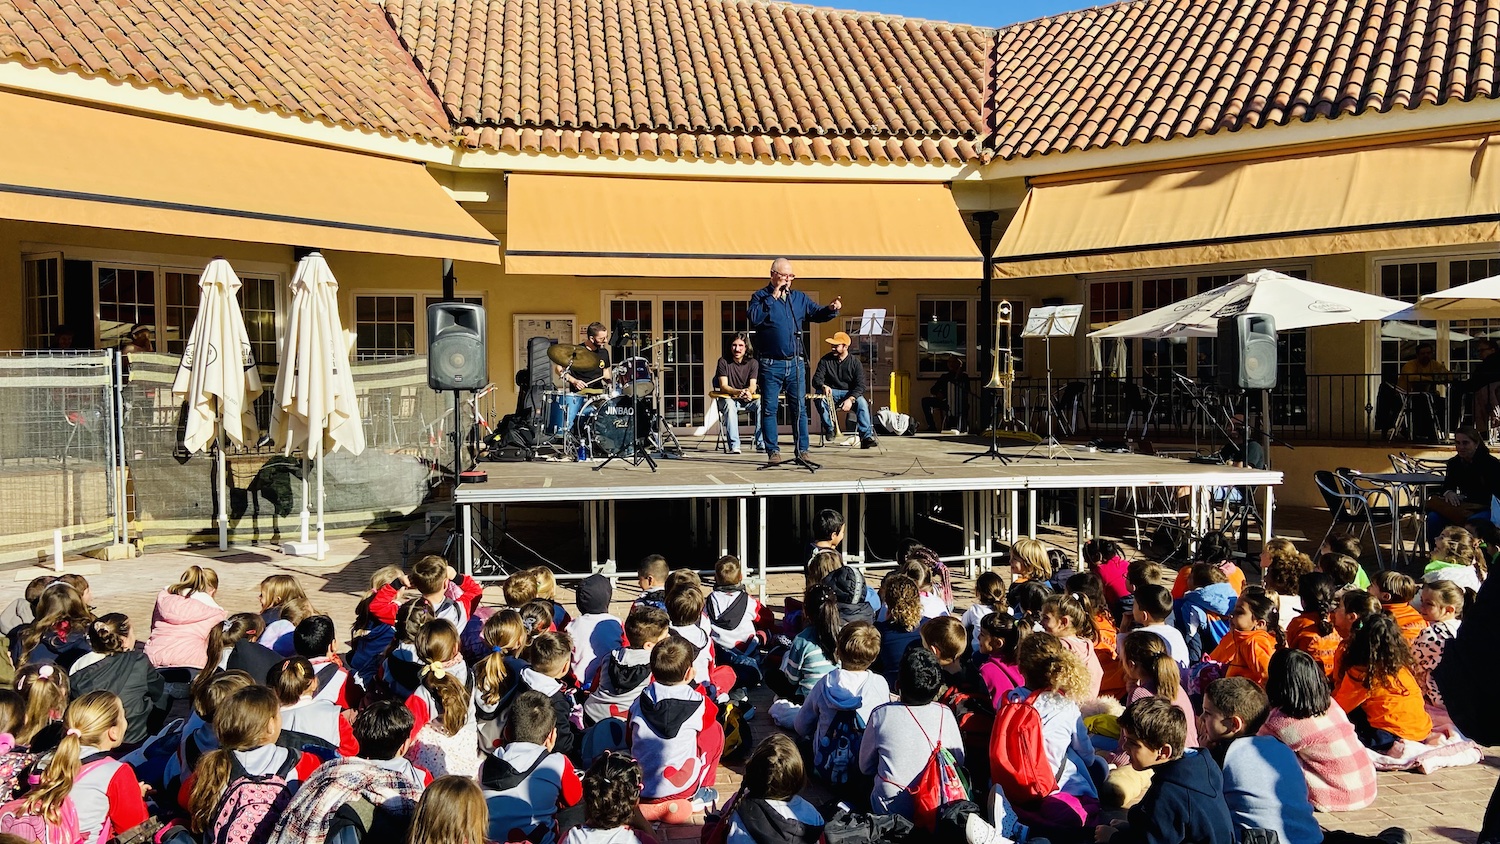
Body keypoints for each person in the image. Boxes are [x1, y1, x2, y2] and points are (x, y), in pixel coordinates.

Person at [1094, 697, 1234, 844]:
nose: (1124, 747)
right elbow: (1169, 827)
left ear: (1164, 752)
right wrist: (1135, 828)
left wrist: (1114, 838)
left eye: (1133, 743)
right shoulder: (1199, 766)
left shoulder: (1169, 793)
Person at [747, 258, 841, 468]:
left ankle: (803, 451)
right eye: (784, 275)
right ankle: (773, 452)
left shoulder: (798, 298)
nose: (788, 279)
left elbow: (816, 313)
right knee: (770, 409)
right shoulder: (760, 297)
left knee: (799, 408)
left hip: (795, 364)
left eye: (791, 276)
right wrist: (773, 296)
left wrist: (831, 309)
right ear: (773, 274)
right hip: (771, 364)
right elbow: (754, 318)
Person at [1259, 649, 1377, 813]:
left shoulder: (1280, 722)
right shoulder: (1330, 703)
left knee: (1268, 754)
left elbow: (1255, 746)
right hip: (1366, 786)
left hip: (1336, 796)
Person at [857, 647, 963, 817]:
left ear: (898, 685)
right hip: (939, 806)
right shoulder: (946, 713)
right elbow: (959, 760)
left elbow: (865, 767)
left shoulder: (881, 714)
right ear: (937, 690)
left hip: (891, 810)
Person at [480, 690, 584, 844]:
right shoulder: (558, 762)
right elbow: (574, 798)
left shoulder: (488, 764)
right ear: (552, 736)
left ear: (507, 732)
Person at [724, 734, 825, 844]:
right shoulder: (813, 815)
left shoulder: (740, 811)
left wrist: (712, 822)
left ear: (752, 773)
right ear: (798, 776)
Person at [1425, 426, 1500, 543]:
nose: (1461, 447)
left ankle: (1468, 556)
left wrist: (1464, 497)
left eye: (1465, 443)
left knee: (1471, 524)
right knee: (1433, 518)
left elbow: (1495, 493)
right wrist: (1449, 492)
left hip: (1485, 507)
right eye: (1457, 443)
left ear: (1476, 444)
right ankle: (1436, 552)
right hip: (1462, 507)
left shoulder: (1491, 464)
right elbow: (1448, 485)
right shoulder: (1454, 463)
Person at [813, 331, 878, 449]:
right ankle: (830, 428)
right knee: (819, 398)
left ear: (845, 347)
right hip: (830, 393)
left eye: (836, 346)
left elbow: (861, 386)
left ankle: (866, 437)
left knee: (862, 403)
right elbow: (816, 379)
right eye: (832, 345)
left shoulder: (855, 363)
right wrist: (823, 386)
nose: (832, 348)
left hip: (849, 393)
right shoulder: (825, 360)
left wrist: (851, 399)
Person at [713, 333, 763, 454]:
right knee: (730, 405)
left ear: (746, 347)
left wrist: (748, 392)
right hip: (728, 398)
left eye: (741, 345)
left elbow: (752, 385)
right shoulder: (723, 362)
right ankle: (734, 445)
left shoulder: (753, 363)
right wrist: (739, 392)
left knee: (762, 403)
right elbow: (723, 386)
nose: (737, 349)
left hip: (746, 399)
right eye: (734, 345)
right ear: (730, 347)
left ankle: (761, 443)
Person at [1398, 343, 1450, 441]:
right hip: (1408, 396)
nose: (1426, 355)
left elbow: (1446, 375)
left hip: (1427, 395)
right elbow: (1411, 377)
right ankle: (1426, 433)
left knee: (1443, 403)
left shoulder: (1434, 364)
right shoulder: (1410, 365)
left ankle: (1441, 431)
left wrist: (1446, 376)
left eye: (1428, 353)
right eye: (1423, 353)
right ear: (1417, 355)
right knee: (1424, 403)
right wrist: (1431, 378)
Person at [1461, 338, 1500, 439]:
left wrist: (1460, 385)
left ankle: (1485, 429)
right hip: (1491, 393)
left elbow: (1479, 380)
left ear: (1492, 350)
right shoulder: (1488, 363)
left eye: (1482, 350)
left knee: (1481, 394)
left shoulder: (1490, 362)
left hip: (1489, 393)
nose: (1479, 353)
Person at [921, 354, 970, 433]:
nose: (950, 364)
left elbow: (966, 390)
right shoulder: (945, 376)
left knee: (964, 407)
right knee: (925, 401)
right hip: (945, 401)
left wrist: (958, 372)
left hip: (958, 403)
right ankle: (931, 425)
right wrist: (938, 393)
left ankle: (960, 426)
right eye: (949, 362)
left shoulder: (964, 377)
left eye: (953, 362)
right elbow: (933, 389)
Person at [558, 322, 612, 393]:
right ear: (591, 338)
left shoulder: (604, 352)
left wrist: (610, 382)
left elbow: (605, 372)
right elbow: (559, 368)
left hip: (599, 393)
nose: (605, 341)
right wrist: (574, 381)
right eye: (601, 339)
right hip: (580, 394)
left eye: (606, 337)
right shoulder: (575, 351)